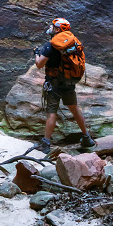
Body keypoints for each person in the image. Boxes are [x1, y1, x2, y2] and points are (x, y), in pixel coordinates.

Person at [33, 17, 96, 153]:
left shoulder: (50, 46)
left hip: (54, 84)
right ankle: (87, 138)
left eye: (53, 26)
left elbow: (39, 64)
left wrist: (36, 54)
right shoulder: (72, 43)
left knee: (51, 113)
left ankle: (46, 144)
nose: (50, 28)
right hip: (69, 82)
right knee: (74, 108)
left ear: (57, 29)